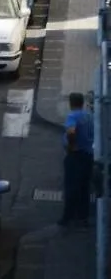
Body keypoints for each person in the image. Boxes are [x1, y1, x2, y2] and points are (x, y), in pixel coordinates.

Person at [61, 91, 95, 226]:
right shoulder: (89, 116)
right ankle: (83, 216)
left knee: (71, 186)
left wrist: (71, 146)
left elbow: (71, 131)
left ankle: (68, 216)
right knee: (84, 186)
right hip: (88, 154)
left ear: (71, 103)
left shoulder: (73, 116)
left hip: (76, 155)